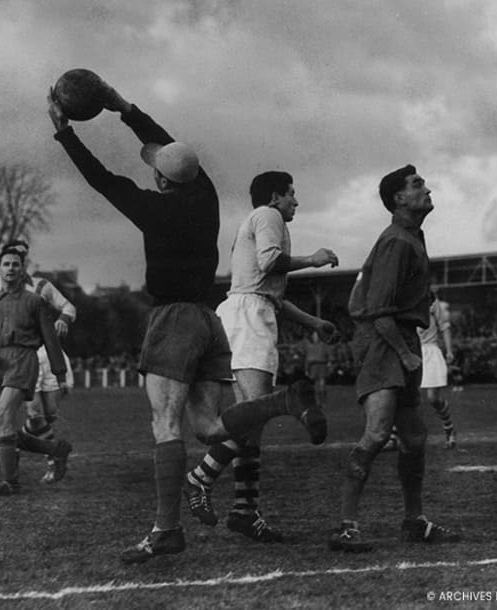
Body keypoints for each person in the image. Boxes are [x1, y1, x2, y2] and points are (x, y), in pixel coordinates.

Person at [48, 82, 327, 564]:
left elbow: (102, 179)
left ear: (159, 180)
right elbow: (169, 144)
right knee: (211, 426)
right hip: (207, 318)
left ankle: (166, 529)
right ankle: (282, 402)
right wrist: (124, 107)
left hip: (174, 319)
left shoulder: (153, 208)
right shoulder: (207, 193)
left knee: (165, 423)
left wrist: (64, 133)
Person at [183, 171, 338, 542]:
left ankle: (244, 511)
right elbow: (271, 262)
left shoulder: (257, 222)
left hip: (245, 312)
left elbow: (271, 294)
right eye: (291, 195)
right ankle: (199, 478)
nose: (296, 202)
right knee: (254, 414)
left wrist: (314, 321)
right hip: (249, 318)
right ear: (274, 197)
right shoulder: (268, 217)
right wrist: (313, 260)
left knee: (251, 421)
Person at [328, 164, 461, 553]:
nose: (427, 188)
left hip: (400, 339)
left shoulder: (412, 237)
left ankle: (413, 521)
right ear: (399, 198)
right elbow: (378, 308)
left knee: (415, 437)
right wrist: (404, 353)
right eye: (418, 185)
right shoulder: (396, 241)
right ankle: (346, 526)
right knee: (378, 431)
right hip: (384, 341)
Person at [0, 245, 73, 496]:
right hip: (0, 365)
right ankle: (54, 449)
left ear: (23, 270)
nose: (11, 268)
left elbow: (51, 341)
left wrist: (60, 375)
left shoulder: (35, 302)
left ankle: (11, 483)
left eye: (16, 264)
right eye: (6, 264)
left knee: (2, 419)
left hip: (23, 361)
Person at [0, 239, 78, 483]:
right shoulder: (2, 292)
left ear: (26, 262)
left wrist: (64, 319)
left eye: (22, 259)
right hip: (25, 357)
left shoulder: (42, 285)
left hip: (49, 353)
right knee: (34, 413)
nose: (17, 264)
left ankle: (20, 444)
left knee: (48, 416)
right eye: (12, 259)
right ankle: (54, 457)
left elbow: (69, 306)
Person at [382, 287, 456, 451]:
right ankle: (393, 437)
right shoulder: (403, 300)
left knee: (433, 398)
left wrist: (449, 350)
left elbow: (444, 326)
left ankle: (449, 428)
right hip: (410, 350)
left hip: (430, 350)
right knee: (400, 394)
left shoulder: (432, 300)